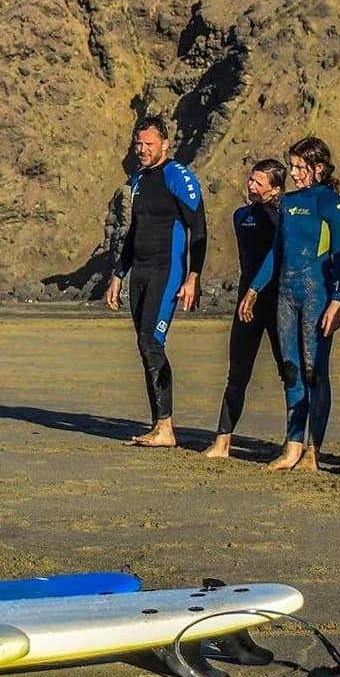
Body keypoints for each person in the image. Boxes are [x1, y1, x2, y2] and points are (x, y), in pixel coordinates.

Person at [240, 135, 340, 472]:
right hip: (286, 296)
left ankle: (313, 452)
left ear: (319, 168)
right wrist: (254, 289)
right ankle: (292, 448)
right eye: (292, 166)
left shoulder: (334, 205)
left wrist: (337, 301)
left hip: (317, 296)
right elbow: (277, 252)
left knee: (314, 371)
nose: (295, 173)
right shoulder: (288, 203)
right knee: (291, 372)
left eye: (300, 167)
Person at [104, 116, 207, 448]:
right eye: (138, 143)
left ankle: (166, 428)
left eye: (149, 144)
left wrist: (193, 277)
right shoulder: (137, 180)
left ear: (166, 144)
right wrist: (119, 273)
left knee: (151, 342)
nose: (142, 149)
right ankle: (159, 425)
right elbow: (134, 231)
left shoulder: (178, 177)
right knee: (144, 345)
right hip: (141, 273)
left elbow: (199, 227)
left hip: (168, 271)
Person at [205, 159, 286, 458]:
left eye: (258, 183)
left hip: (279, 304)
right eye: (250, 180)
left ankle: (294, 444)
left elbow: (278, 248)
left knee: (289, 373)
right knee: (237, 373)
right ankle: (222, 441)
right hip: (246, 303)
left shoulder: (285, 218)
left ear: (275, 189)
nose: (250, 186)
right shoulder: (241, 216)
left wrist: (275, 206)